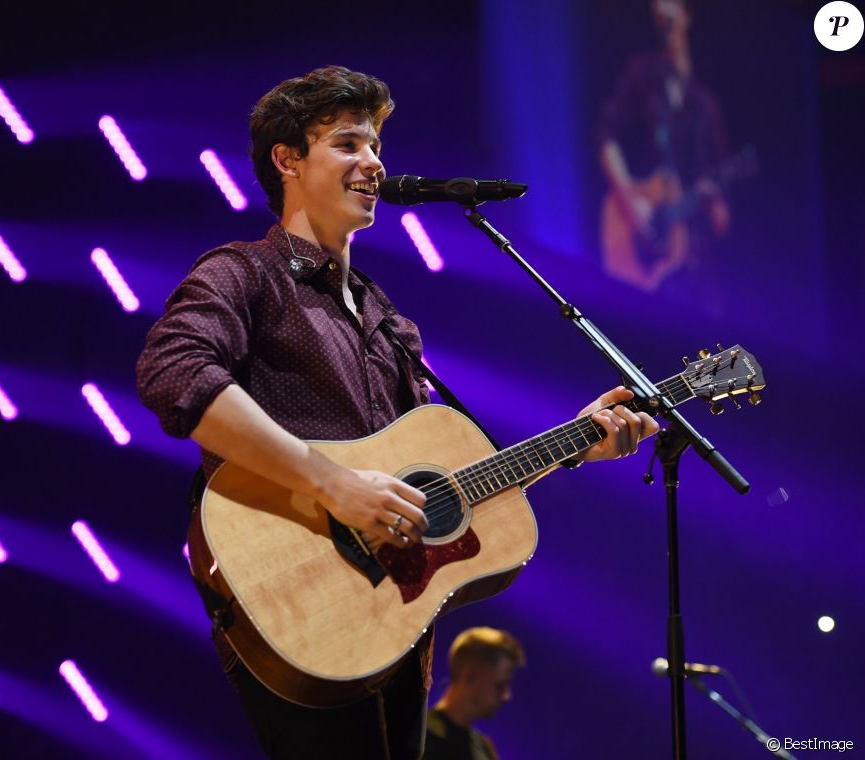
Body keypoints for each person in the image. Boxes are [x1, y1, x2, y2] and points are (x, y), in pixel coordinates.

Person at [137, 65, 658, 760]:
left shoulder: (391, 323)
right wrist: (332, 483)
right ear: (287, 160)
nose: (374, 162)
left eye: (377, 145)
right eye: (349, 143)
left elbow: (444, 487)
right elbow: (174, 373)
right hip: (299, 605)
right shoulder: (243, 273)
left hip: (394, 623)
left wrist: (576, 444)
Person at [598, 0, 731, 296]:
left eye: (672, 9)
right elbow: (607, 137)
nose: (665, 17)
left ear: (687, 15)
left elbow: (722, 219)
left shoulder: (705, 105)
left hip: (693, 268)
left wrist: (710, 205)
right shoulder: (642, 76)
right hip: (649, 263)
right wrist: (630, 200)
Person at [423, 627, 525, 760]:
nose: (507, 695)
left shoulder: (484, 749)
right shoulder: (419, 736)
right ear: (469, 676)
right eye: (499, 685)